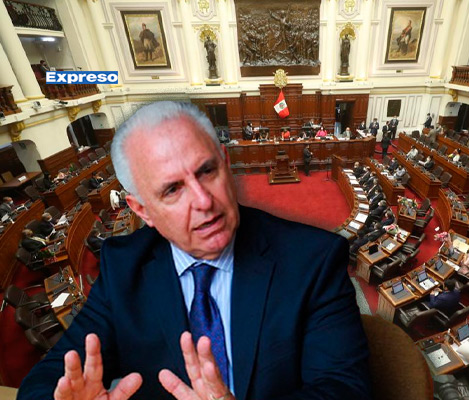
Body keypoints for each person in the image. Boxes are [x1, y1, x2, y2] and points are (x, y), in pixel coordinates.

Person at [18, 102, 371, 400]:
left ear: (225, 163)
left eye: (207, 171)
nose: (204, 201)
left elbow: (345, 389)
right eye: (173, 190)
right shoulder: (123, 267)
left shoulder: (314, 260)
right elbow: (46, 380)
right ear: (142, 210)